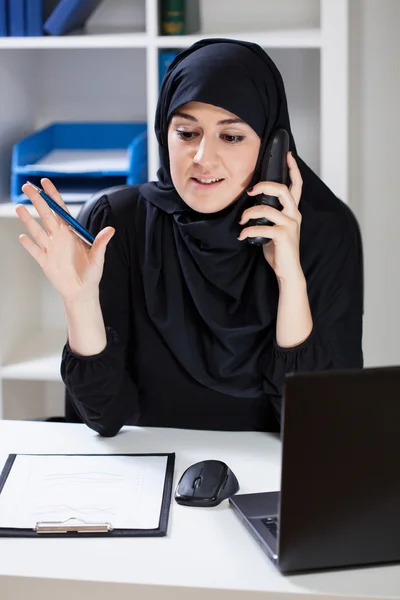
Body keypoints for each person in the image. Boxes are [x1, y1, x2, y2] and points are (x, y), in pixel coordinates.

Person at [16, 39, 363, 437]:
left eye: (231, 137)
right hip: (148, 477)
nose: (202, 158)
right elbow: (103, 418)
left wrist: (290, 278)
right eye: (186, 132)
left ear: (270, 146)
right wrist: (79, 302)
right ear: (165, 133)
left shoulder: (324, 232)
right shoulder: (117, 223)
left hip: (267, 481)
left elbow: (317, 430)